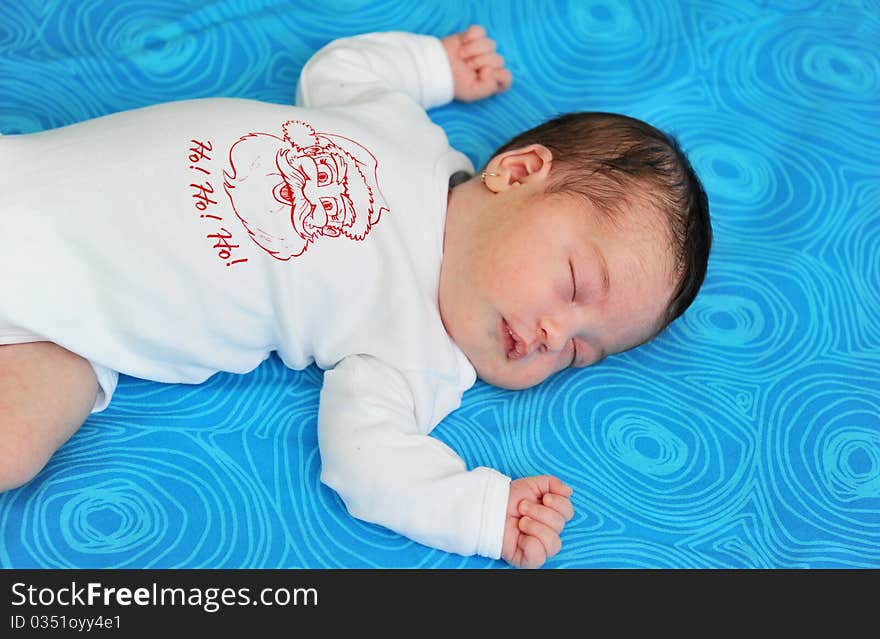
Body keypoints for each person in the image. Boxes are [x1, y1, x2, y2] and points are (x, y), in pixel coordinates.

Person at [0, 26, 711, 568]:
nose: (557, 334)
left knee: (15, 445)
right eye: (576, 285)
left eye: (583, 352)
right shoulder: (408, 136)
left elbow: (369, 464)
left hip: (74, 331)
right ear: (519, 172)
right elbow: (338, 69)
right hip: (24, 176)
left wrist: (482, 509)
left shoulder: (420, 357)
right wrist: (436, 65)